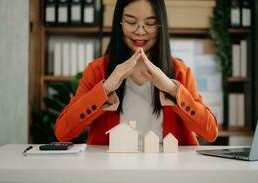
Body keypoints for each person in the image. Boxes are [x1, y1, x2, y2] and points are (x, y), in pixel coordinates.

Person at [54, 0, 218, 145]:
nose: (140, 31)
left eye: (151, 23)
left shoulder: (180, 72)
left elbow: (210, 132)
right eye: (131, 22)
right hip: (110, 170)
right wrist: (104, 90)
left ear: (161, 25)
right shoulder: (97, 70)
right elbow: (63, 132)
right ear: (120, 22)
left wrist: (173, 90)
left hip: (168, 172)